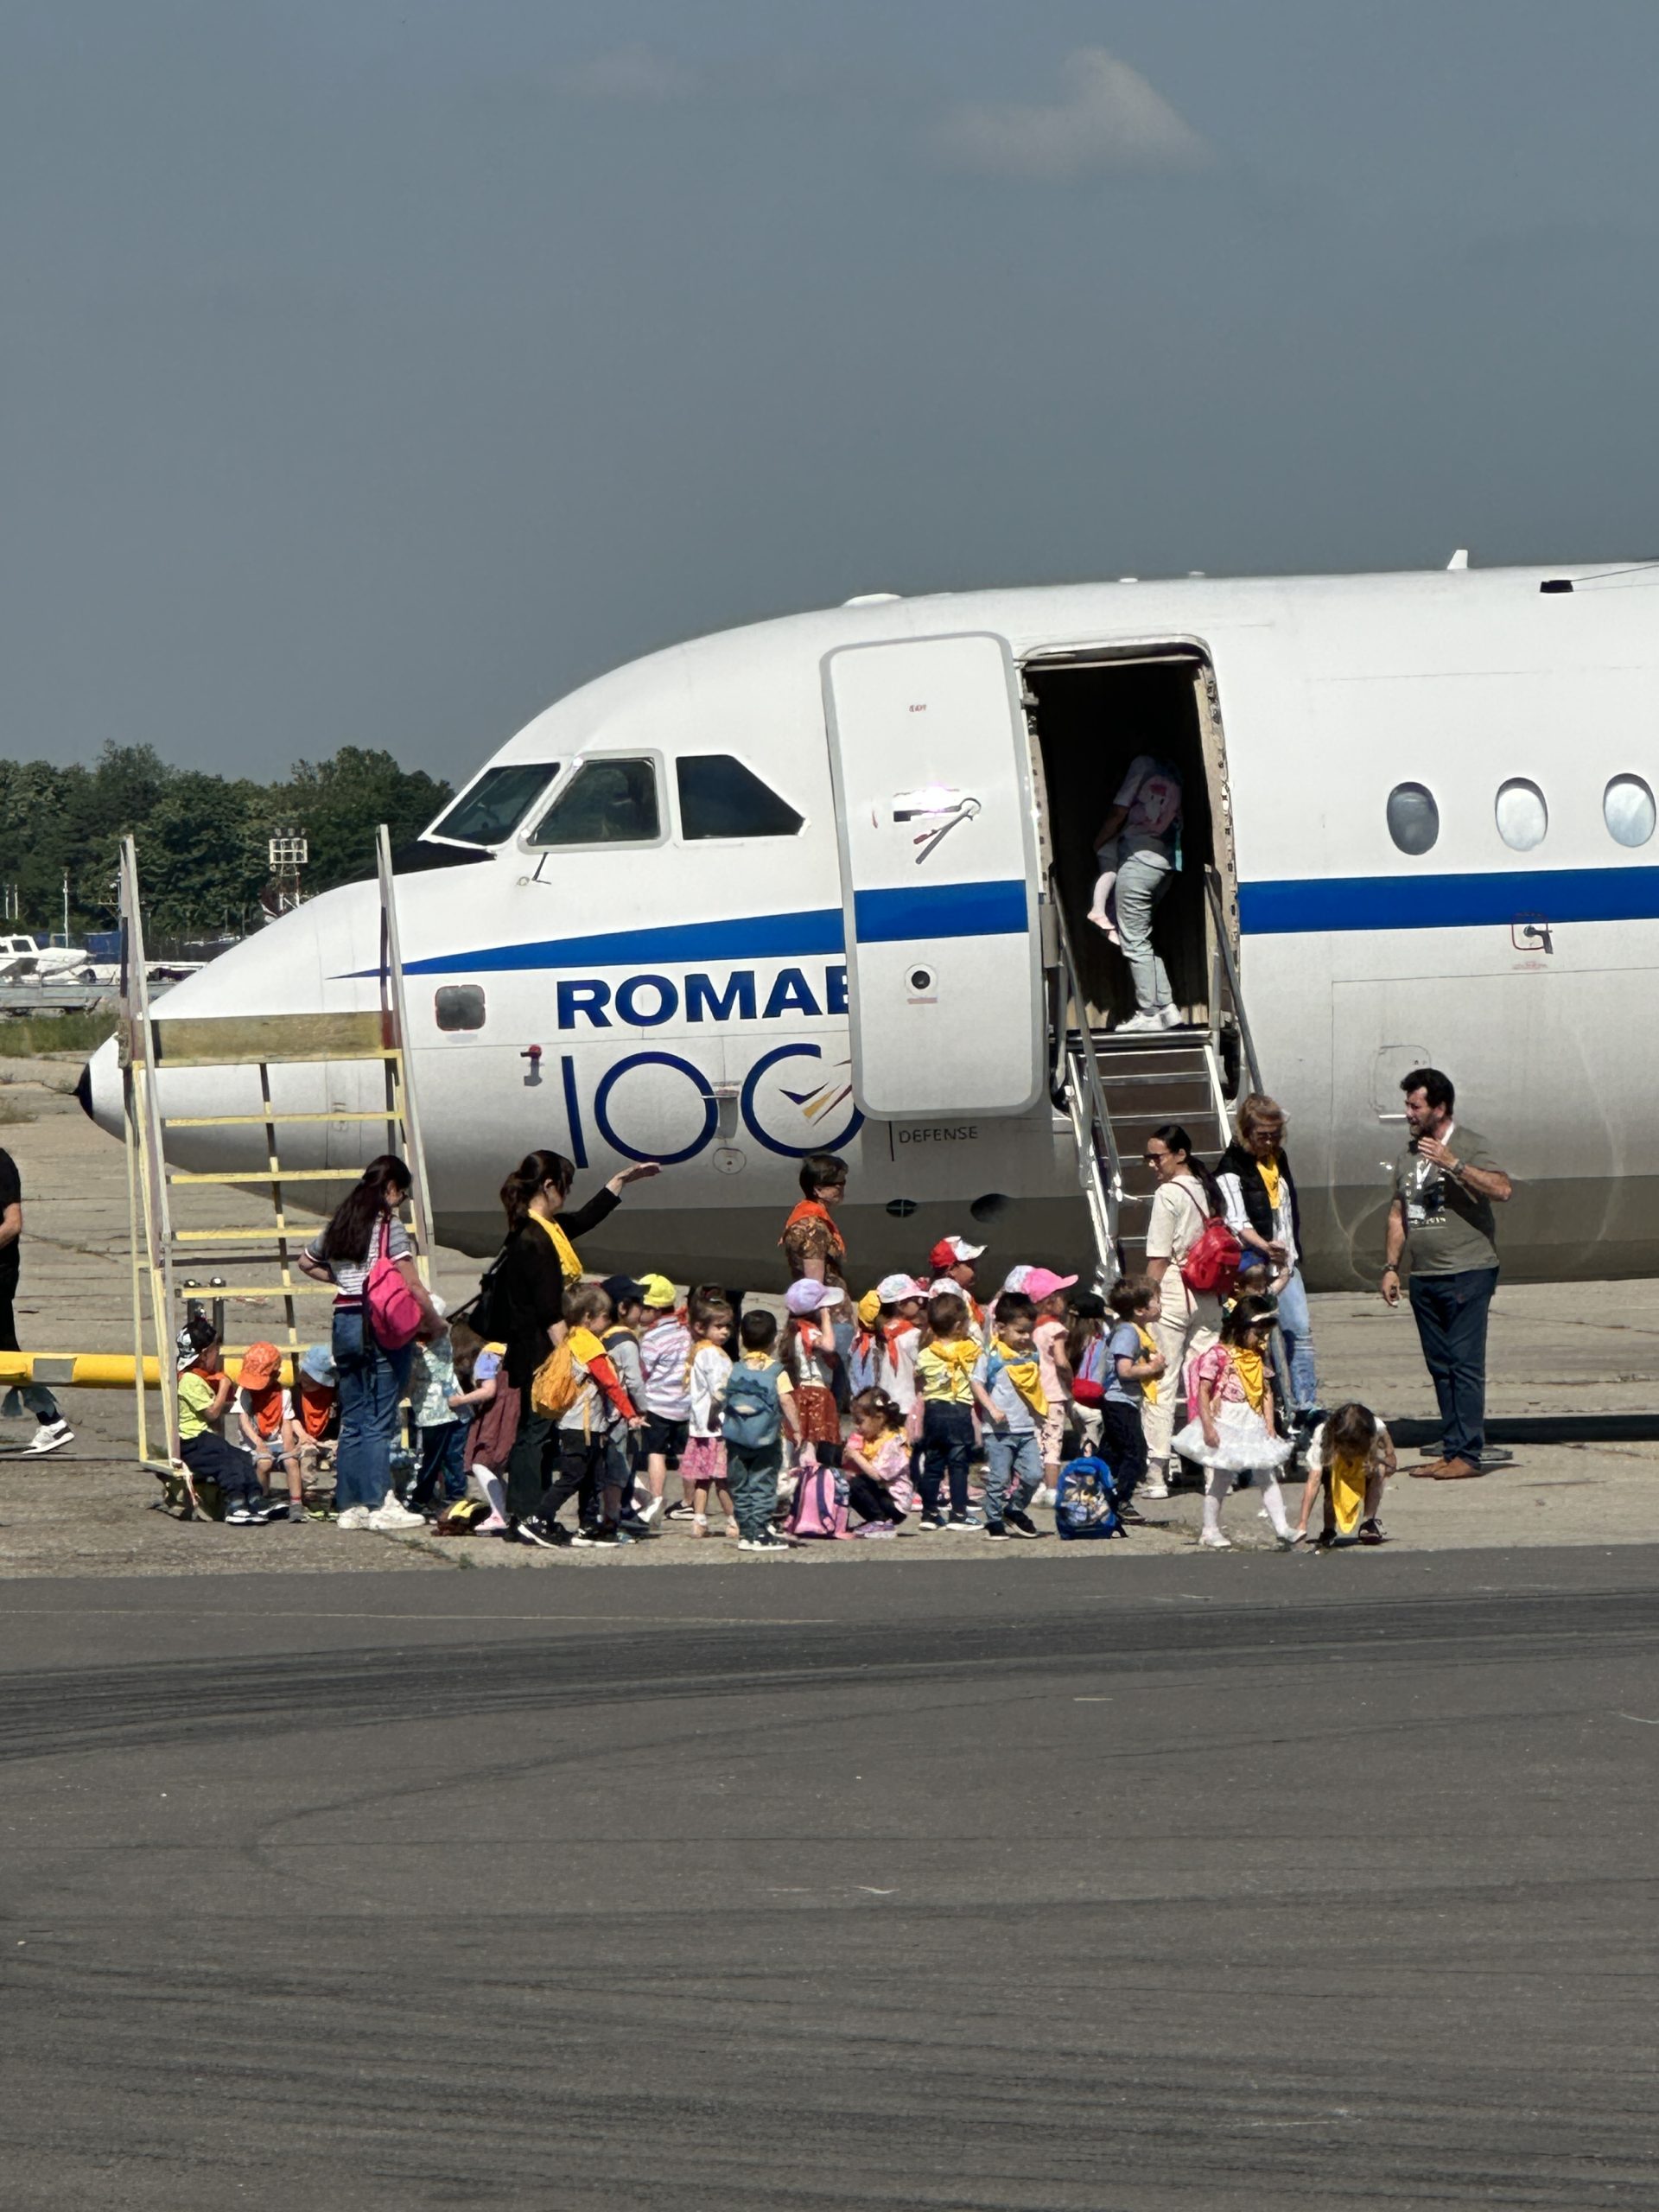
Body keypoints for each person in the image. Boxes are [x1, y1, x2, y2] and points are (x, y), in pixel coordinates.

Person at [490, 1149, 660, 1524]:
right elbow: (548, 1309)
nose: (566, 1196)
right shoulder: (534, 1237)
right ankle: (527, 1516)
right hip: (539, 1351)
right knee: (534, 1434)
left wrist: (620, 1181)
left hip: (544, 1346)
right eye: (565, 1188)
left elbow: (584, 1218)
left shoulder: (547, 1228)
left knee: (541, 1433)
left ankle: (534, 1515)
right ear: (549, 1186)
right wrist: (571, 1359)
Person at [297, 1154, 440, 1532]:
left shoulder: (340, 1224)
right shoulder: (389, 1227)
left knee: (354, 1418)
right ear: (391, 1188)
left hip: (343, 1320)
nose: (401, 1201)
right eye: (402, 1194)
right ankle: (379, 1503)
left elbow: (306, 1262)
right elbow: (411, 1284)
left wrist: (343, 1279)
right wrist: (434, 1321)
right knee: (379, 1417)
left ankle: (350, 1505)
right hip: (378, 1324)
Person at [1382, 1069, 1512, 1482]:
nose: (1408, 1113)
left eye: (1415, 1105)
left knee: (1464, 1364)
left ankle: (1469, 1454)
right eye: (1407, 1105)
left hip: (1467, 1272)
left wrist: (1454, 1164)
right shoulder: (1408, 1156)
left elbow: (1503, 1189)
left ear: (1439, 1108)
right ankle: (1452, 1447)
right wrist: (1391, 1268)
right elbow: (1399, 1214)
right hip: (1425, 1276)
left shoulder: (1470, 1144)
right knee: (1440, 1366)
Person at [1217, 1094, 1319, 1431]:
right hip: (1256, 1268)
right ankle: (1269, 1405)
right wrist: (1265, 1246)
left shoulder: (1278, 1159)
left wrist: (1288, 1253)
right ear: (1247, 1132)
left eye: (1276, 1134)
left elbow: (1285, 1210)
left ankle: (1305, 1405)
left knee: (1298, 1332)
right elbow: (1237, 1221)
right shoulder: (1231, 1169)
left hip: (1286, 1263)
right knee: (1260, 1339)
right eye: (1263, 1135)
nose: (1270, 1142)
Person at [516, 1283, 644, 1548]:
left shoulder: (571, 1339)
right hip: (580, 1426)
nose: (608, 1322)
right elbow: (610, 1383)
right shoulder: (587, 1345)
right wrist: (630, 1413)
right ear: (588, 1317)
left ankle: (588, 1526)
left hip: (586, 1425)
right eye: (605, 1317)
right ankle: (538, 1519)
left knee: (592, 1477)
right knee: (573, 1477)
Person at [1139, 1125, 1225, 1498]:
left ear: (1179, 1155)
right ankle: (1213, 1471)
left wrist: (1145, 1297)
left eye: (1156, 1157)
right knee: (1206, 1383)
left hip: (1175, 1291)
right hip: (1208, 1295)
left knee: (1161, 1379)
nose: (1151, 1164)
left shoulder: (1168, 1194)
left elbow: (1159, 1256)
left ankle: (1156, 1473)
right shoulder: (1208, 1189)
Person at [1172, 1292, 1296, 1550]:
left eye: (1265, 1335)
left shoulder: (1256, 1356)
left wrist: (1270, 1425)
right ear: (1242, 1327)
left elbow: (1266, 1392)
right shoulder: (1218, 1354)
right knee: (1221, 1477)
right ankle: (1209, 1530)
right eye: (1258, 1334)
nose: (1262, 1340)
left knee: (1267, 1474)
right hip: (1226, 1420)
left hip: (1252, 1421)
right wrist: (1207, 1426)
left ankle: (1282, 1527)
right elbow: (1203, 1391)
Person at [1089, 754, 1184, 1033]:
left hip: (1137, 862)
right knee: (1142, 940)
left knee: (1133, 942)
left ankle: (1148, 1012)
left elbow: (1119, 811)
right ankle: (1167, 1008)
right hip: (1164, 863)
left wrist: (1099, 842)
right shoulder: (1174, 772)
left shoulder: (1143, 765)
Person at [0, 1141, 73, 1457]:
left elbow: (13, 1223)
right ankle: (51, 1420)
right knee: (7, 1349)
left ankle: (52, 1420)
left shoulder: (0, 1164)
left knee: (7, 1351)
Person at [175, 1315, 273, 1525]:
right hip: (192, 1441)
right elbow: (212, 1413)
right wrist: (225, 1385)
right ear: (204, 1355)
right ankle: (235, 1502)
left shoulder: (199, 1378)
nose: (217, 1356)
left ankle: (254, 1496)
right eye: (215, 1352)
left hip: (205, 1439)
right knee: (228, 1463)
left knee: (242, 1456)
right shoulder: (189, 1380)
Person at [971, 1294, 1047, 1540]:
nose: (1026, 1337)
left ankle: (1014, 1509)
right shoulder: (991, 1355)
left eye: (1029, 1331)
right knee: (999, 1478)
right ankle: (993, 1519)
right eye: (1020, 1331)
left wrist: (1039, 1413)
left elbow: (1033, 1388)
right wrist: (992, 1409)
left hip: (1026, 1428)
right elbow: (976, 1383)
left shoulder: (1030, 1354)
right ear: (1001, 1328)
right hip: (998, 1431)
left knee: (1034, 1474)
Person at [722, 1309, 798, 1554]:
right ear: (774, 1339)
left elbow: (719, 1396)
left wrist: (715, 1418)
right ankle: (760, 1532)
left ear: (741, 1339)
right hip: (767, 1439)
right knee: (763, 1484)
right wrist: (797, 1429)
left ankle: (746, 1532)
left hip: (736, 1438)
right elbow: (786, 1400)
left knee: (741, 1485)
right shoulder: (776, 1371)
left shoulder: (734, 1369)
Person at [915, 1290, 982, 1530]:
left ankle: (929, 1514)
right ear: (958, 1326)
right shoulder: (969, 1351)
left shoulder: (925, 1353)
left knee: (933, 1464)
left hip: (933, 1411)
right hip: (958, 1410)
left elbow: (918, 1380)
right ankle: (959, 1514)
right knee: (958, 1465)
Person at [1101, 1275, 1166, 1523]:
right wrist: (1152, 1368)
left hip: (1124, 1400)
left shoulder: (1133, 1331)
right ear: (1140, 1310)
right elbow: (1125, 1370)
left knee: (1112, 1453)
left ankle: (1099, 1494)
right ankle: (1121, 1500)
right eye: (1156, 1301)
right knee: (1135, 1452)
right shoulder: (1128, 1332)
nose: (1160, 1306)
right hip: (1118, 1400)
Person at [1296, 1402, 1395, 1547]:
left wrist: (1378, 1462)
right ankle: (1329, 1528)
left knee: (1380, 1469)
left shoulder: (1376, 1426)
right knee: (1329, 1480)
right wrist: (1302, 1523)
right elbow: (1313, 1481)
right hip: (1336, 1462)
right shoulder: (1323, 1434)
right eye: (1348, 1447)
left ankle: (1368, 1522)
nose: (1351, 1451)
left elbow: (1391, 1457)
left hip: (1364, 1462)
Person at [599, 1274, 652, 1541]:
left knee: (605, 1470)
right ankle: (612, 1522)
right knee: (618, 1472)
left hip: (601, 1414)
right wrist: (642, 1408)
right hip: (621, 1415)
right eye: (639, 1303)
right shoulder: (626, 1341)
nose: (643, 1308)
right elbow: (634, 1381)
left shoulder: (602, 1337)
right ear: (622, 1308)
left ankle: (605, 1517)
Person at [406, 1298, 470, 1516]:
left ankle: (450, 1497)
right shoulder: (417, 1345)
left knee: (448, 1457)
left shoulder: (441, 1340)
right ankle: (429, 1497)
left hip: (449, 1409)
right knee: (437, 1457)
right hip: (434, 1410)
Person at [637, 1273, 691, 1523]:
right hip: (685, 1404)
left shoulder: (652, 1338)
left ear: (654, 1310)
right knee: (686, 1454)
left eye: (641, 1307)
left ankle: (657, 1498)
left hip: (657, 1405)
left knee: (656, 1452)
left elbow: (643, 1372)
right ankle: (690, 1501)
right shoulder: (686, 1331)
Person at [683, 1290, 737, 1539]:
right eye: (719, 1326)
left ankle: (699, 1520)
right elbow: (720, 1391)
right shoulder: (713, 1355)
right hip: (716, 1426)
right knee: (722, 1478)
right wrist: (718, 1414)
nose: (724, 1332)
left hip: (699, 1427)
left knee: (702, 1478)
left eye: (727, 1326)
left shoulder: (698, 1351)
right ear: (700, 1327)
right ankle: (734, 1520)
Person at [234, 1340, 303, 1522]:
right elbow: (244, 1421)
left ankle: (296, 1503)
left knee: (291, 1461)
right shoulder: (245, 1392)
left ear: (276, 1375)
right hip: (253, 1443)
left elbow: (286, 1421)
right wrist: (258, 1443)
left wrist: (289, 1445)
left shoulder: (284, 1394)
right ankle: (261, 1499)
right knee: (264, 1463)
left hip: (277, 1441)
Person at [1026, 1267, 1078, 1505]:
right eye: (1062, 1296)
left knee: (1038, 1439)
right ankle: (1052, 1488)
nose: (1065, 1301)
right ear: (1050, 1301)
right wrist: (1070, 1377)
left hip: (1035, 1392)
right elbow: (1060, 1360)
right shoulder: (1056, 1329)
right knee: (1053, 1442)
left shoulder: (1033, 1329)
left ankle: (1036, 1486)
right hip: (1055, 1392)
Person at [781, 1278, 844, 1465]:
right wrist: (826, 1317)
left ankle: (800, 1473)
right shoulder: (809, 1332)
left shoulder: (795, 1331)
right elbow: (829, 1346)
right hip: (815, 1393)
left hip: (802, 1391)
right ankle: (808, 1474)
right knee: (810, 1445)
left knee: (804, 1441)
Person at [458, 1334, 515, 1532]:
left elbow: (488, 1390)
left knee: (480, 1463)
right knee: (496, 1470)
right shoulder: (511, 1349)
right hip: (512, 1411)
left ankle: (498, 1514)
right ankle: (508, 1511)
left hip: (495, 1414)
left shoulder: (489, 1354)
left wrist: (460, 1400)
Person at [840, 1389, 912, 1536]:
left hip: (895, 1503)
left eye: (860, 1421)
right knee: (847, 1482)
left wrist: (856, 1455)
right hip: (883, 1494)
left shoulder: (893, 1442)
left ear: (879, 1418)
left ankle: (880, 1520)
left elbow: (878, 1475)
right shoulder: (872, 1439)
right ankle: (876, 1519)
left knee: (855, 1484)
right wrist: (848, 1455)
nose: (856, 1426)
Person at [780, 1153, 850, 1293]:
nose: (842, 1187)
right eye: (837, 1184)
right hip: (825, 1303)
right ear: (818, 1190)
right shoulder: (813, 1227)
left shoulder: (805, 1216)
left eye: (843, 1182)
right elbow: (814, 1286)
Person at [292, 1343, 339, 1517]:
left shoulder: (334, 1393)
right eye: (306, 1375)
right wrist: (302, 1435)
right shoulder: (296, 1393)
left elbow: (342, 1418)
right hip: (304, 1437)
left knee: (342, 1452)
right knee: (307, 1453)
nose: (307, 1381)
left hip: (328, 1438)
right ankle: (309, 1492)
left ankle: (340, 1492)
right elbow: (292, 1418)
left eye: (314, 1379)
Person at [926, 1236, 988, 1338]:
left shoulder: (956, 1290)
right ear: (952, 1269)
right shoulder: (946, 1290)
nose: (975, 1269)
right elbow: (970, 1329)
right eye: (970, 1265)